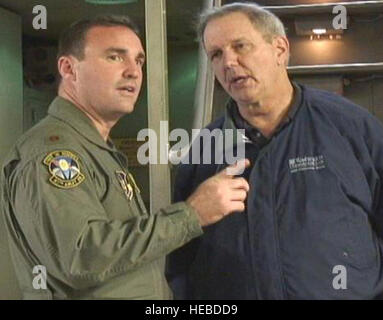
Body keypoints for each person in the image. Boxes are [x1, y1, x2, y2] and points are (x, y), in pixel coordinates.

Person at [0, 15, 250, 300]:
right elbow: (82, 257)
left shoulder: (96, 148)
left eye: (139, 61)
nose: (133, 71)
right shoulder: (54, 153)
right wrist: (192, 214)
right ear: (69, 69)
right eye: (115, 57)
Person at [166, 2, 383, 299]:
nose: (228, 62)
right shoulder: (205, 149)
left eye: (240, 46)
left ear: (280, 49)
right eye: (216, 54)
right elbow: (180, 259)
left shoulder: (350, 127)